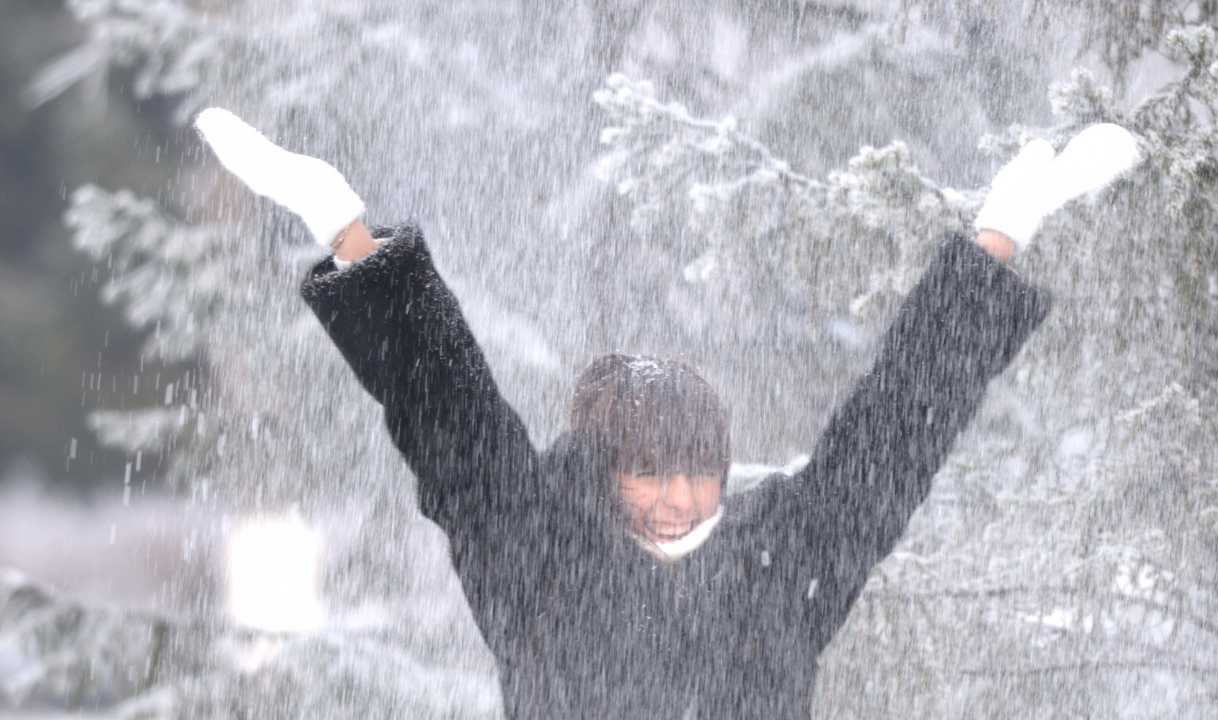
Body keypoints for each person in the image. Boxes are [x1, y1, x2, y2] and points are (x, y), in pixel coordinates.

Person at [195, 108, 1139, 719]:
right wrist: (347, 232)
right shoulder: (534, 552)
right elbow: (448, 412)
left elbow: (896, 428)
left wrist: (1000, 236)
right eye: (650, 470)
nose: (682, 496)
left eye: (700, 470)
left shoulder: (784, 557)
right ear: (605, 470)